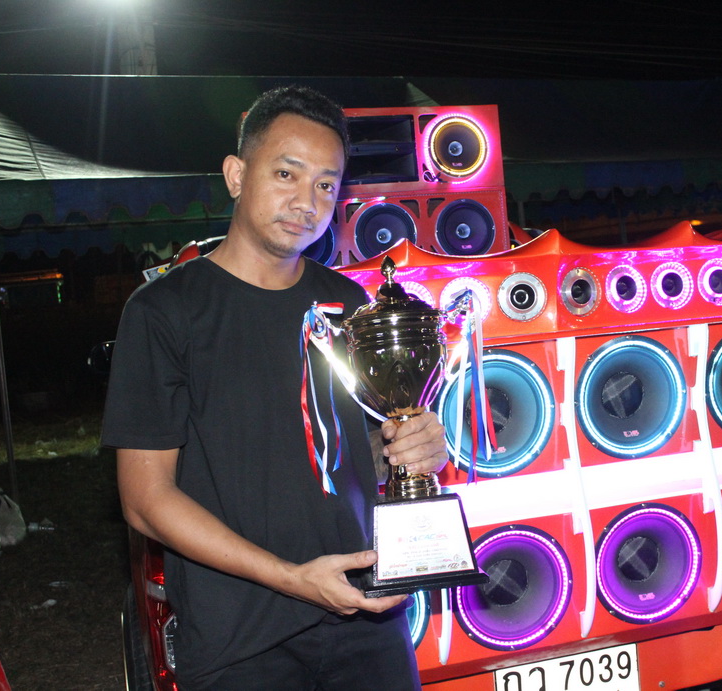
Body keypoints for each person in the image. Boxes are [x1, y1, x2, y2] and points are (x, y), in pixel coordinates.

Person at [102, 85, 449, 690]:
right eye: (286, 174)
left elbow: (354, 455)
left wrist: (415, 447)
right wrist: (292, 578)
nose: (306, 202)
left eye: (326, 184)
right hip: (242, 642)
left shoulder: (348, 304)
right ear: (236, 175)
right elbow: (145, 500)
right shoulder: (164, 311)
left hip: (365, 619)